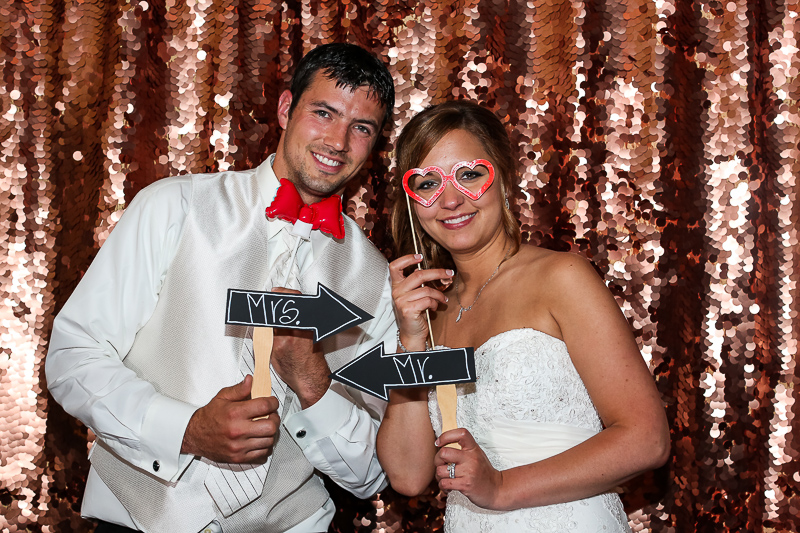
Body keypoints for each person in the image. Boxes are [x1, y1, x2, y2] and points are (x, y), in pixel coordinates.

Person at [46, 43, 397, 533]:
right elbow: (72, 356)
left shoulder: (377, 281)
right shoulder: (174, 207)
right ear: (284, 108)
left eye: (361, 128)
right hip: (139, 519)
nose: (338, 141)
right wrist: (185, 430)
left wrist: (313, 386)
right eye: (323, 112)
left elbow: (371, 474)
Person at [376, 100, 670, 532]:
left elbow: (647, 440)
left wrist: (500, 487)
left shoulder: (560, 277)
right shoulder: (426, 311)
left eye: (470, 175)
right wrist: (411, 341)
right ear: (412, 199)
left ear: (503, 178)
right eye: (427, 183)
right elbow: (408, 475)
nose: (452, 199)